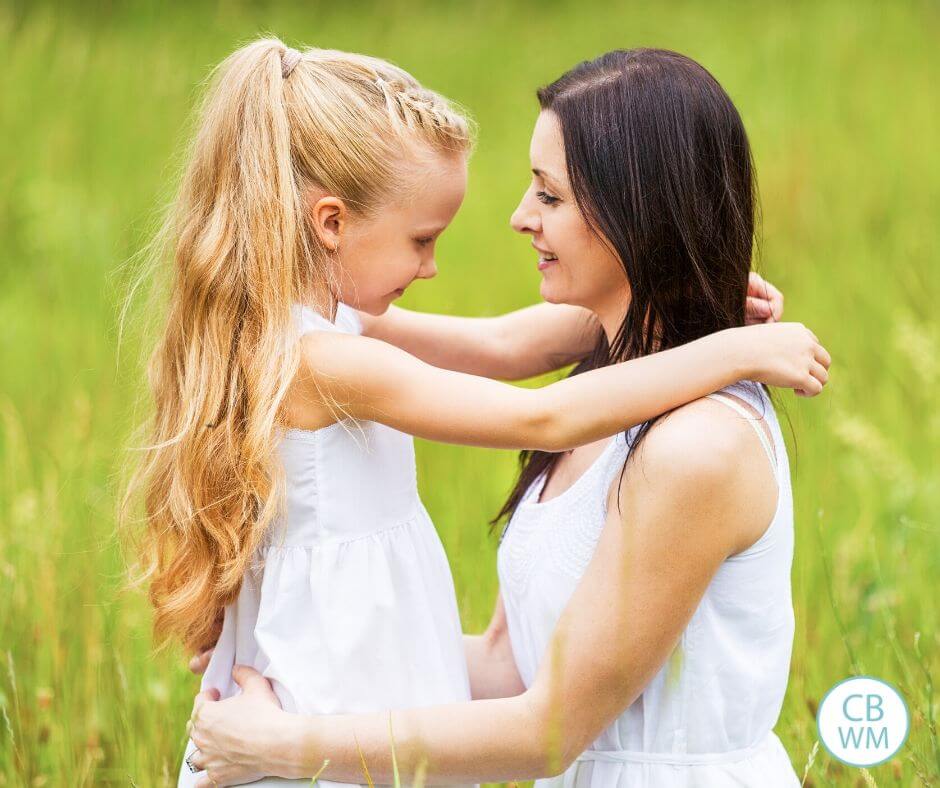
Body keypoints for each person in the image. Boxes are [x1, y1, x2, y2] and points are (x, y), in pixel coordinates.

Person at [138, 41, 829, 788]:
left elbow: (503, 349)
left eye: (550, 195)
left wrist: (705, 320)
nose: (518, 218)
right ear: (330, 222)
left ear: (639, 216)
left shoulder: (695, 446)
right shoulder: (329, 352)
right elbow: (509, 656)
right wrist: (293, 658)